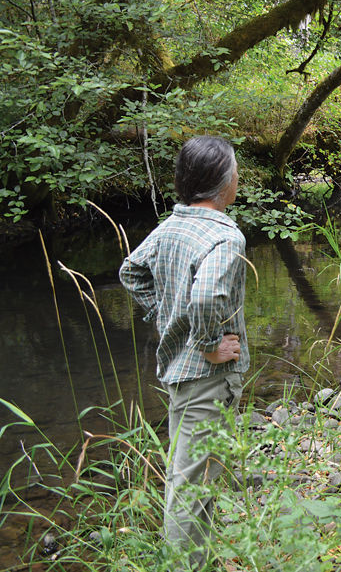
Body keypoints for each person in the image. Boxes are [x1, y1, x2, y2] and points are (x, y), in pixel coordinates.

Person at [119, 135, 248, 568]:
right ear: (223, 181)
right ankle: (181, 565)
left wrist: (167, 315)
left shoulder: (173, 224)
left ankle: (198, 558)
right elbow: (209, 298)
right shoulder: (225, 237)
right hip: (205, 378)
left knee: (194, 470)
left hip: (177, 370)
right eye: (235, 170)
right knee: (190, 483)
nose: (238, 176)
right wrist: (210, 345)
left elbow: (130, 271)